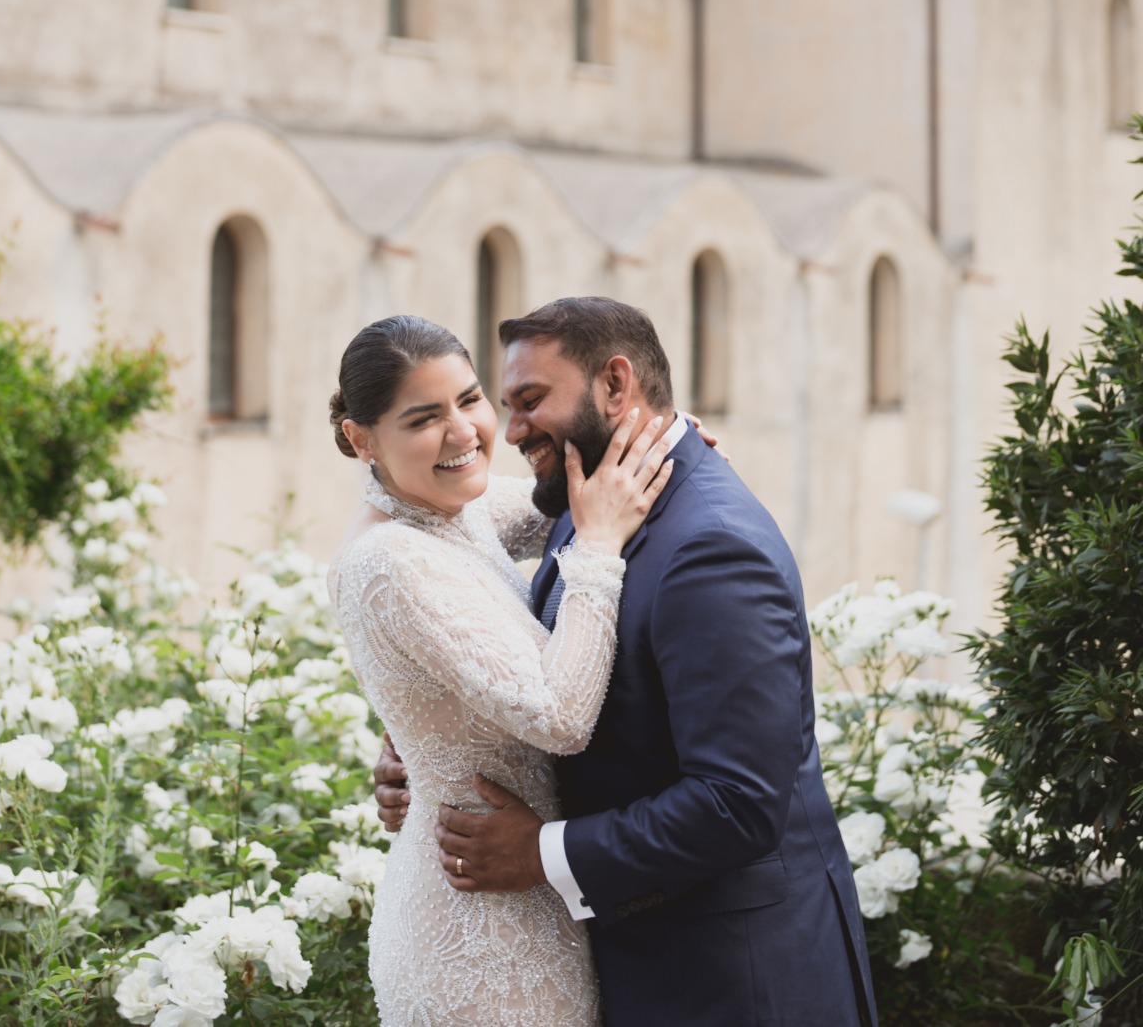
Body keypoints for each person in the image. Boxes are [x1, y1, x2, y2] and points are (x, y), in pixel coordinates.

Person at [375, 296, 878, 1027]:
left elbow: (737, 803)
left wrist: (540, 852)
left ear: (616, 385)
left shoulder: (710, 548)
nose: (510, 431)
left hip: (736, 981)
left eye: (530, 401)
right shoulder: (589, 498)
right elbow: (533, 659)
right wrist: (432, 752)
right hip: (645, 961)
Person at [326, 313, 678, 1027]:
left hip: (520, 894)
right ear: (361, 438)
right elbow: (562, 714)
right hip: (477, 937)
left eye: (469, 398)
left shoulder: (453, 508)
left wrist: (666, 436)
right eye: (423, 417)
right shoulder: (390, 558)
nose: (464, 432)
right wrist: (601, 550)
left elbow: (567, 499)